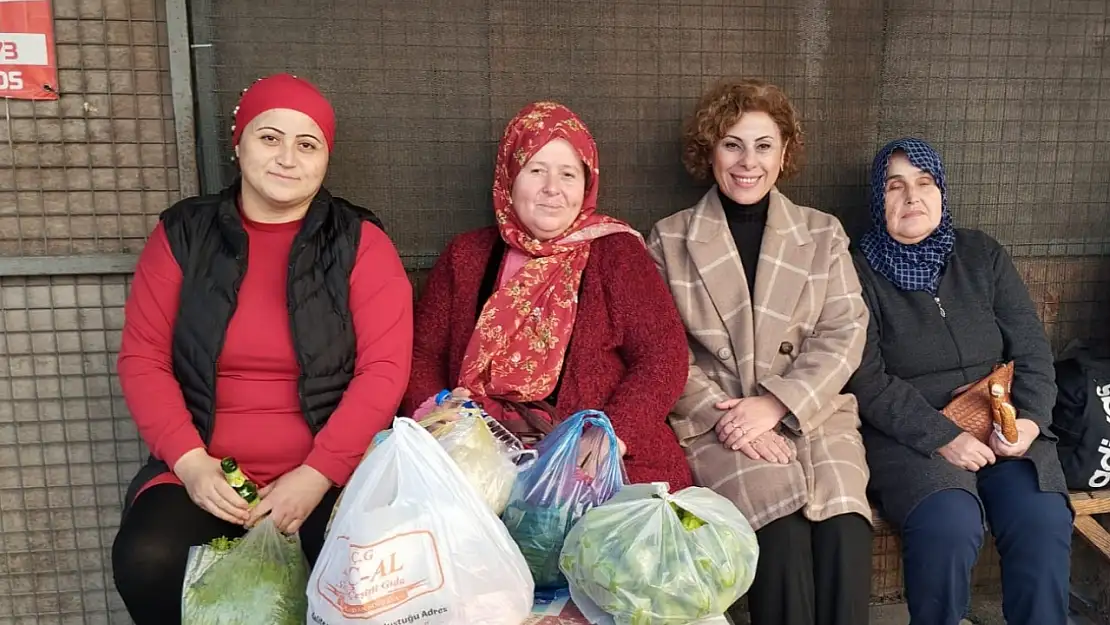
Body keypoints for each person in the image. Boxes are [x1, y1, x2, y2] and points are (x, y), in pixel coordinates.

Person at [111, 73, 413, 624]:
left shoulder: (360, 242)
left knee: (368, 577)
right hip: (206, 470)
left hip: (330, 473)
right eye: (269, 137)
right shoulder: (184, 234)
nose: (287, 158)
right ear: (239, 144)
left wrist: (317, 473)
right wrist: (191, 464)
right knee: (146, 558)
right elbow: (143, 357)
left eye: (307, 144)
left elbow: (384, 371)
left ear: (326, 158)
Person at [648, 79, 873, 625]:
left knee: (845, 526)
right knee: (780, 527)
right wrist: (730, 419)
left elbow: (845, 329)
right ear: (710, 151)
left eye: (763, 145)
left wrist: (776, 404)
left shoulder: (822, 233)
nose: (748, 162)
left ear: (784, 153)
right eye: (732, 144)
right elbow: (661, 349)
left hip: (814, 413)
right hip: (720, 421)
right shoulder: (669, 238)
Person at [403, 101, 693, 489]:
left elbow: (663, 355)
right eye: (535, 170)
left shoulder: (616, 254)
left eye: (568, 174)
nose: (552, 189)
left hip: (591, 459)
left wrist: (612, 435)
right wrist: (440, 415)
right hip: (479, 456)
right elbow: (423, 354)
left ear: (586, 184)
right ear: (509, 179)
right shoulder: (466, 256)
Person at [847, 137, 1072, 625]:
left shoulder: (980, 254)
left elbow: (1031, 350)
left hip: (1003, 423)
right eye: (895, 186)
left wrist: (1029, 423)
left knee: (1041, 518)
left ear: (942, 192)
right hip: (913, 438)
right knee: (948, 525)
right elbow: (864, 377)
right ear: (876, 198)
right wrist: (942, 437)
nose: (912, 197)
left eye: (925, 182)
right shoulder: (856, 269)